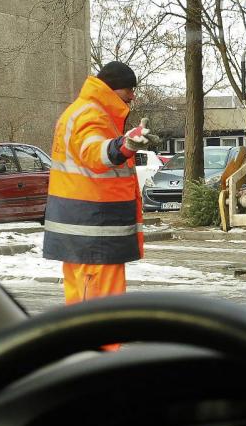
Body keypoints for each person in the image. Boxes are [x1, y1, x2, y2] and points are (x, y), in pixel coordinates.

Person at [42, 61, 159, 308]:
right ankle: (98, 348)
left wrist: (125, 141)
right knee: (99, 307)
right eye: (129, 89)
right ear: (112, 89)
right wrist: (125, 145)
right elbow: (95, 152)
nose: (133, 95)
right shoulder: (92, 114)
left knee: (83, 302)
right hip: (94, 229)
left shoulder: (81, 111)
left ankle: (89, 347)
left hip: (85, 229)